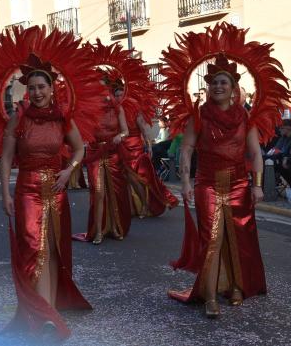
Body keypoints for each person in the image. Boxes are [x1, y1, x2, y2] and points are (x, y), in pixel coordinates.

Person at [169, 55, 267, 317]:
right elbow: (187, 149)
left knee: (239, 236)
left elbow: (256, 153)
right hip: (208, 184)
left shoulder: (246, 117)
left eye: (223, 82)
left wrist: (257, 185)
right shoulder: (198, 116)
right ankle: (210, 296)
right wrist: (186, 182)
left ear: (234, 87)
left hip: (238, 184)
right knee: (212, 238)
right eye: (213, 82)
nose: (217, 87)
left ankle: (236, 285)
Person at [0, 61, 91, 339]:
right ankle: (40, 311)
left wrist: (69, 170)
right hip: (27, 189)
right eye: (32, 88)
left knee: (52, 248)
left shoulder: (64, 116)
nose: (37, 92)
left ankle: (48, 311)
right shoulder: (19, 118)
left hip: (56, 189)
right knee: (33, 249)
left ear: (52, 89)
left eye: (42, 87)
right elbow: (5, 158)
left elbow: (79, 149)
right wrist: (4, 193)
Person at [77, 78, 131, 244]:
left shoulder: (117, 108)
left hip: (113, 153)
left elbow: (125, 131)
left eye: (102, 90)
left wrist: (119, 136)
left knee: (115, 191)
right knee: (99, 192)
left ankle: (115, 227)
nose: (100, 93)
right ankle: (98, 230)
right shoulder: (89, 110)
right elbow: (82, 132)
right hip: (95, 154)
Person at [114, 84, 178, 218]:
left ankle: (144, 205)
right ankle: (132, 207)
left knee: (139, 179)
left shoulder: (134, 111)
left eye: (121, 95)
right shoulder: (115, 112)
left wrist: (149, 146)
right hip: (121, 149)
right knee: (126, 179)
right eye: (117, 95)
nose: (119, 97)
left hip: (135, 148)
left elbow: (144, 130)